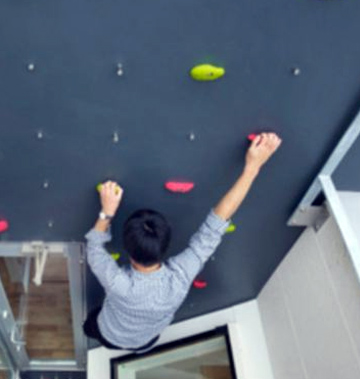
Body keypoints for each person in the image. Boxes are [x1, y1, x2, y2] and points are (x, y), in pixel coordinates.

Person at [84, 132, 282, 351]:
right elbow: (217, 223)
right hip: (145, 341)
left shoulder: (120, 283)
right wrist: (252, 168)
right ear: (165, 245)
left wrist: (107, 210)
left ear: (128, 253)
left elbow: (93, 247)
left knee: (88, 327)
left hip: (109, 332)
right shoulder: (179, 277)